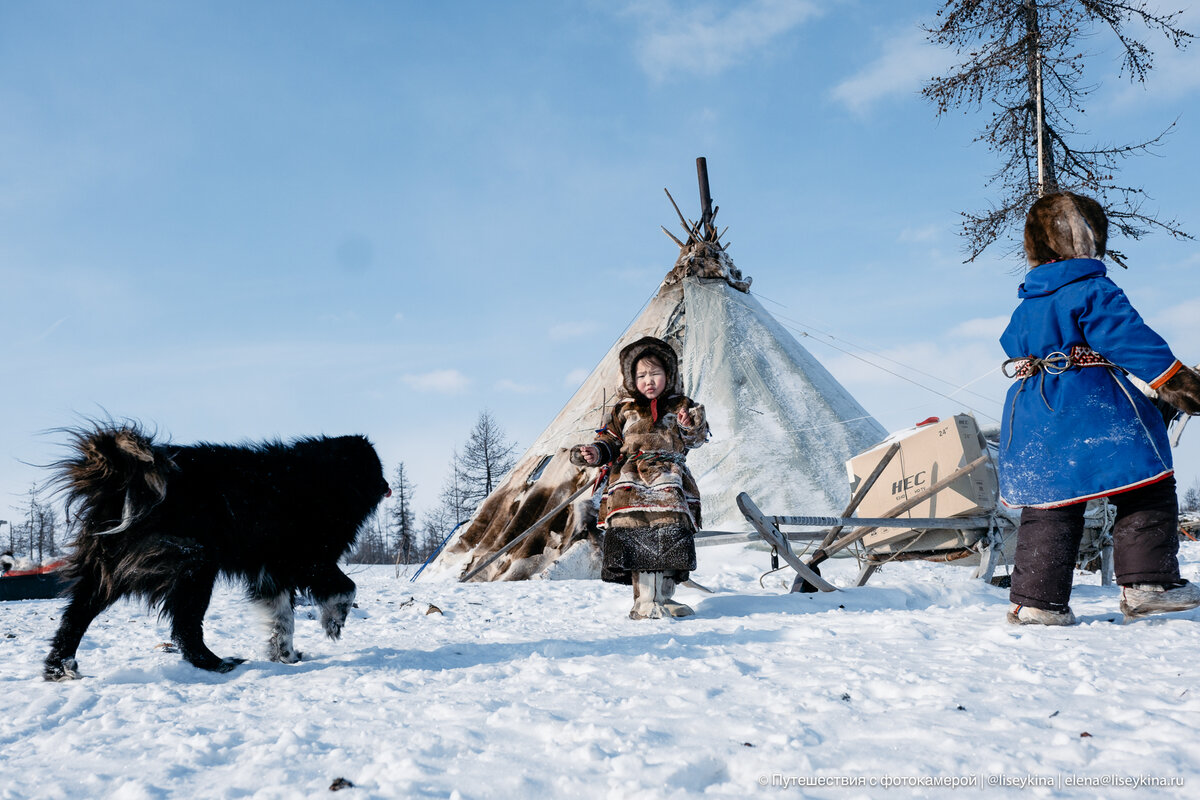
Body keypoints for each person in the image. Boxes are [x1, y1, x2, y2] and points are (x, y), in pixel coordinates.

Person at [999, 191, 1200, 625]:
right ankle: (1149, 584)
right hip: (1090, 400)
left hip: (1032, 408)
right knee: (1145, 479)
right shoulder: (1093, 289)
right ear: (1091, 239)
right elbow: (1130, 340)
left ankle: (1038, 602)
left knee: (1051, 500)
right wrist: (1180, 383)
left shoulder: (1028, 302)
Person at [570, 336, 710, 619]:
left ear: (668, 375)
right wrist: (594, 453)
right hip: (630, 483)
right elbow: (609, 441)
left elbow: (697, 436)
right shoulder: (625, 410)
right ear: (632, 379)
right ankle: (645, 600)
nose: (649, 380)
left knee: (668, 537)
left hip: (669, 481)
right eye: (642, 375)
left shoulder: (681, 405)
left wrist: (688, 425)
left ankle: (665, 597)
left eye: (655, 373)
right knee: (637, 536)